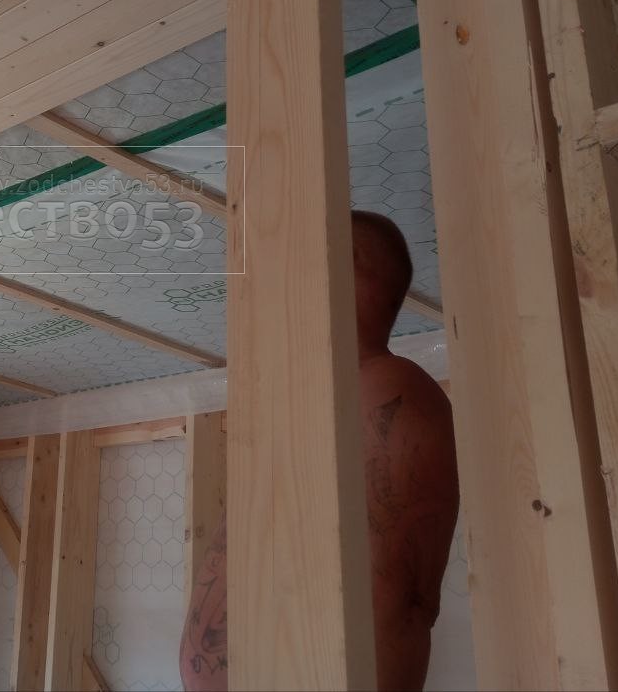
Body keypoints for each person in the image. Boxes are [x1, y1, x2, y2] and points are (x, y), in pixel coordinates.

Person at [180, 211, 459, 691]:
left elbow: (391, 593)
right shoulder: (308, 404)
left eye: (298, 259)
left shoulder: (386, 387)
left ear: (343, 263)